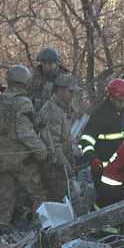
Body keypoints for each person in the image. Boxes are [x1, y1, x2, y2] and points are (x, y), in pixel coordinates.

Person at [0, 66, 48, 224]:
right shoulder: (23, 103)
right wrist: (41, 150)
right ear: (26, 82)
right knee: (39, 195)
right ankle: (40, 230)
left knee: (5, 201)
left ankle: (0, 232)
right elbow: (25, 132)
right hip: (21, 161)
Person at [79, 78, 124, 207]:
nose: (123, 104)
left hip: (121, 168)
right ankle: (96, 219)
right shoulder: (99, 115)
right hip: (102, 169)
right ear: (110, 98)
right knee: (105, 201)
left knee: (120, 201)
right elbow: (85, 141)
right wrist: (93, 159)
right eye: (120, 101)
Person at [38, 74, 82, 202]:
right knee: (67, 204)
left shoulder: (60, 109)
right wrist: (68, 169)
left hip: (60, 170)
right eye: (70, 91)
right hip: (55, 172)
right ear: (60, 90)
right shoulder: (51, 111)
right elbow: (53, 146)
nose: (73, 95)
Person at [28, 47, 69, 112]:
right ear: (42, 63)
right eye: (49, 63)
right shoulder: (34, 78)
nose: (52, 66)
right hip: (35, 113)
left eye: (54, 63)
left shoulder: (64, 80)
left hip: (55, 114)